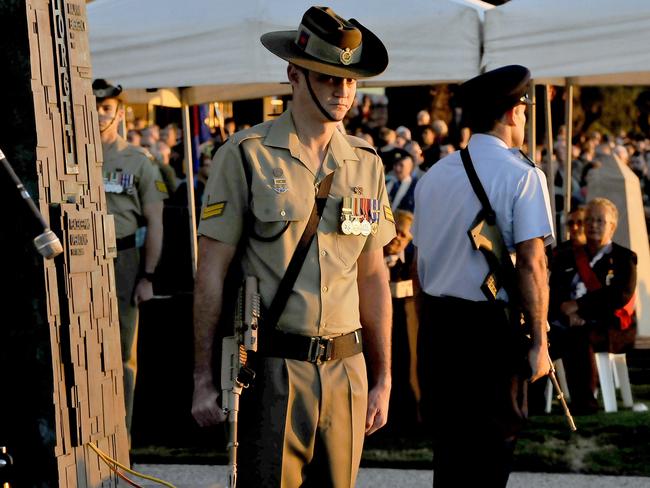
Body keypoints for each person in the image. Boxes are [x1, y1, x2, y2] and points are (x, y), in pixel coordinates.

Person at [191, 6, 394, 487]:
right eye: (327, 79)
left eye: (349, 81)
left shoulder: (366, 162)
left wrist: (382, 376)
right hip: (273, 369)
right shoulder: (245, 156)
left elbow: (373, 276)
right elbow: (211, 275)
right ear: (294, 75)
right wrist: (203, 378)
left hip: (347, 367)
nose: (342, 92)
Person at [412, 65, 554, 487]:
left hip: (438, 327)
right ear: (513, 113)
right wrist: (540, 343)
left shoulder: (434, 175)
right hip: (491, 332)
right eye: (524, 111)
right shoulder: (523, 176)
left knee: (450, 459)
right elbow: (532, 264)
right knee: (491, 458)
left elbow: (421, 267)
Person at [93, 79, 168, 435]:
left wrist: (147, 275)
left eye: (106, 107)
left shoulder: (138, 161)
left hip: (123, 257)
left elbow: (155, 222)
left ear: (119, 113)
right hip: (79, 260)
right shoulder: (72, 157)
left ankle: (122, 436)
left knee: (123, 353)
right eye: (94, 105)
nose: (98, 113)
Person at [549, 198, 637, 414]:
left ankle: (585, 404)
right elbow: (554, 290)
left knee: (579, 336)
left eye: (600, 220)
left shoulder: (623, 257)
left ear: (612, 226)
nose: (593, 224)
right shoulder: (567, 256)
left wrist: (580, 308)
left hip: (612, 327)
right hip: (567, 322)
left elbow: (620, 295)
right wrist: (564, 309)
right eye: (589, 219)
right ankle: (531, 403)